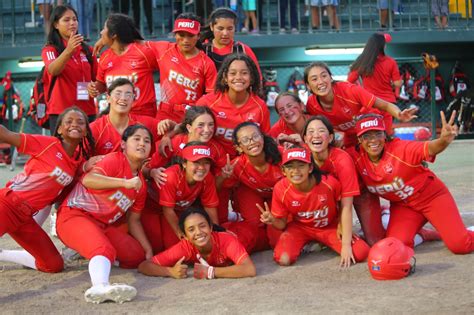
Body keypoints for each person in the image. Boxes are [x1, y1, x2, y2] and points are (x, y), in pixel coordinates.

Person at [348, 113, 473, 254]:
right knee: (395, 247)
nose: (373, 140)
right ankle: (424, 233)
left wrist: (443, 140)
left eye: (377, 134)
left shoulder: (400, 149)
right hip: (404, 206)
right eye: (367, 136)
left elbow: (430, 148)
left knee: (460, 246)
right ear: (359, 139)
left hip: (431, 198)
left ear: (385, 134)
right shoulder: (355, 157)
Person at [57, 124, 153, 304]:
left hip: (102, 225)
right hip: (74, 215)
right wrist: (124, 183)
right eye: (136, 139)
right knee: (103, 249)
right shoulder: (115, 159)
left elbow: (134, 221)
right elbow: (89, 179)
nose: (142, 144)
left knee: (135, 256)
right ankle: (100, 286)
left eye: (147, 141)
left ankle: (90, 253)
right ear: (123, 144)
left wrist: (148, 251)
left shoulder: (140, 184)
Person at [0, 107, 95, 273]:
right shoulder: (47, 144)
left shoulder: (77, 160)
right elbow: (6, 134)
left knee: (53, 265)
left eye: (81, 122)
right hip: (8, 205)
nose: (75, 125)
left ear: (86, 131)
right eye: (69, 121)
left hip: (25, 218)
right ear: (59, 129)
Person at [259, 146, 370, 267]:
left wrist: (341, 226)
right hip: (300, 228)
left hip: (328, 226)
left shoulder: (329, 183)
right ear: (283, 171)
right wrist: (272, 220)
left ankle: (320, 242)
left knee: (360, 252)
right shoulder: (280, 188)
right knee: (284, 259)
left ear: (310, 168)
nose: (295, 171)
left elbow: (343, 206)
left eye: (301, 166)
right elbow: (282, 224)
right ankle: (309, 243)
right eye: (290, 167)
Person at [142, 107, 226, 253]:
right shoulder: (173, 143)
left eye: (211, 124)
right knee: (159, 247)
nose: (207, 129)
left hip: (186, 201)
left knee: (182, 247)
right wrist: (152, 172)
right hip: (157, 200)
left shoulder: (215, 150)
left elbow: (211, 192)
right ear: (189, 127)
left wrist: (216, 235)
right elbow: (142, 169)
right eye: (201, 125)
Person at [304, 61, 417, 148]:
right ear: (308, 85)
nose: (320, 81)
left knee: (384, 153)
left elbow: (386, 105)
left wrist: (399, 114)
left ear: (330, 77)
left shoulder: (349, 90)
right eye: (314, 79)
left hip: (374, 124)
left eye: (324, 76)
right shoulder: (311, 105)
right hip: (352, 134)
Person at [219, 122, 284, 252]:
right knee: (254, 226)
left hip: (280, 197)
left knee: (276, 240)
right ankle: (235, 218)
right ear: (239, 148)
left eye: (255, 136)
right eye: (245, 140)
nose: (252, 142)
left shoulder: (281, 155)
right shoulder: (236, 165)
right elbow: (218, 188)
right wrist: (223, 177)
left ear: (263, 138)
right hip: (253, 194)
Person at [138, 207, 256, 279]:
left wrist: (211, 272)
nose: (198, 232)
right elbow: (144, 265)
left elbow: (249, 269)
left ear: (210, 227)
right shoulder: (185, 247)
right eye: (191, 230)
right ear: (184, 236)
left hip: (250, 235)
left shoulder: (226, 241)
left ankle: (235, 217)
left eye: (202, 226)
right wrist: (170, 271)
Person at [196, 53, 270, 158]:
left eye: (244, 73)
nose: (238, 77)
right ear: (225, 78)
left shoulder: (260, 107)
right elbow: (190, 133)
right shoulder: (207, 102)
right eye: (233, 73)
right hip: (211, 161)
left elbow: (265, 141)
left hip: (244, 164)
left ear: (252, 78)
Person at [148, 13, 218, 123]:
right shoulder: (163, 49)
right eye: (181, 35)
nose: (185, 40)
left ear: (198, 36)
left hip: (191, 116)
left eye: (190, 35)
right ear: (174, 35)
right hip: (164, 113)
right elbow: (135, 46)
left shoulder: (206, 63)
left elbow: (212, 97)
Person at [88, 13, 158, 118]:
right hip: (117, 116)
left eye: (104, 29)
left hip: (143, 116)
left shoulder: (143, 52)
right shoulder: (105, 57)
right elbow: (102, 85)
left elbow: (167, 62)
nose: (101, 32)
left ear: (114, 35)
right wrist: (94, 88)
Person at [152, 142, 220, 249]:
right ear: (184, 163)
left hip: (179, 210)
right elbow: (168, 210)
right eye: (196, 162)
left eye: (206, 162)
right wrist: (182, 234)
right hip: (154, 207)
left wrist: (216, 233)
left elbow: (209, 206)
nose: (201, 167)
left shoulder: (208, 177)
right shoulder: (171, 176)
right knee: (163, 247)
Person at [42, 4, 97, 130]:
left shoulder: (88, 50)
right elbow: (53, 70)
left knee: (88, 149)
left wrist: (96, 87)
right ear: (56, 25)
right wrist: (69, 51)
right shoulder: (50, 49)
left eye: (75, 19)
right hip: (61, 113)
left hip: (87, 112)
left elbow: (98, 80)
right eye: (66, 20)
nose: (72, 23)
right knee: (62, 150)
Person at [348, 33, 402, 135]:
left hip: (370, 102)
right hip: (389, 104)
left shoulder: (363, 61)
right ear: (383, 46)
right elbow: (397, 83)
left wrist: (360, 89)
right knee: (387, 134)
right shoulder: (391, 62)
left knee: (370, 134)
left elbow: (350, 80)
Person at [90, 78, 158, 156]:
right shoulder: (95, 129)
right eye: (118, 94)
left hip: (137, 168)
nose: (123, 98)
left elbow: (171, 127)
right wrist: (85, 166)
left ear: (133, 100)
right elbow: (79, 158)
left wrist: (166, 137)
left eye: (128, 95)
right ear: (108, 98)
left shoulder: (143, 123)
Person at [200, 7, 261, 73]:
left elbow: (257, 78)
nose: (225, 33)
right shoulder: (202, 50)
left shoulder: (243, 50)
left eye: (230, 29)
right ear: (212, 27)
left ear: (235, 27)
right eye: (220, 29)